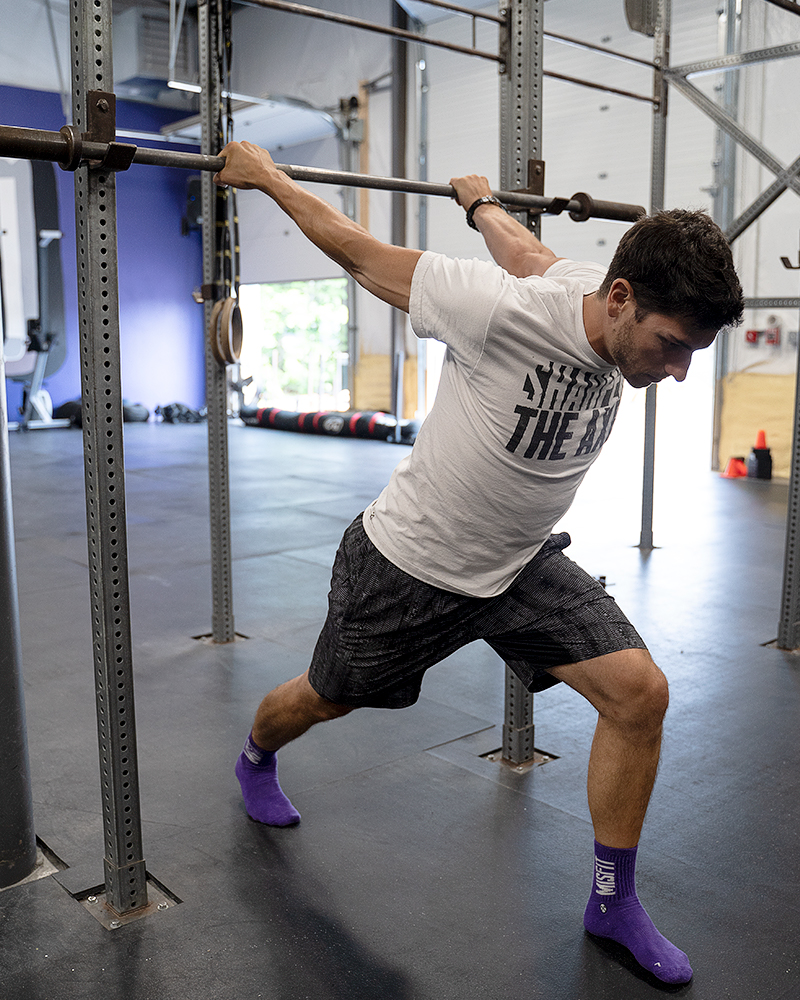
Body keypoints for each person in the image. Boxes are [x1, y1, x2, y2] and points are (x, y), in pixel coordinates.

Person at [214, 141, 744, 986]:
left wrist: (480, 205)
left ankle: (612, 903)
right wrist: (269, 177)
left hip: (519, 567)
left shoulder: (580, 284)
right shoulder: (491, 310)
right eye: (672, 345)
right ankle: (254, 755)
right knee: (326, 697)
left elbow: (532, 252)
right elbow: (359, 251)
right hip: (409, 566)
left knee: (640, 694)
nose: (678, 372)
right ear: (619, 298)